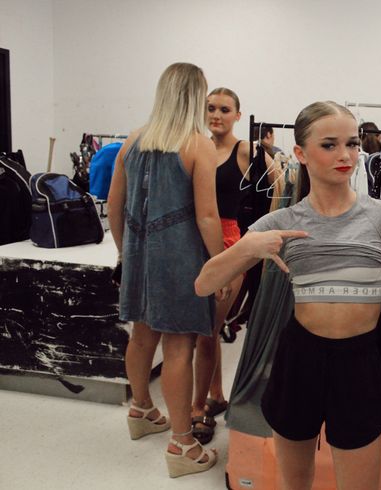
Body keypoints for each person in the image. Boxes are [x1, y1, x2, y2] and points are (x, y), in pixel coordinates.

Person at [195, 101, 381, 490]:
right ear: (299, 153)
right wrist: (248, 249)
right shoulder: (281, 221)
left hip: (361, 360)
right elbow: (204, 284)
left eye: (351, 144)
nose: (345, 155)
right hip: (300, 358)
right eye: (329, 145)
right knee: (295, 482)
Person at [108, 62, 224, 478]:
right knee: (179, 349)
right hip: (180, 257)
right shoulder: (198, 145)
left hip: (139, 252)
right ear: (195, 97)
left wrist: (127, 253)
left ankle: (141, 409)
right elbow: (207, 218)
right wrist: (220, 266)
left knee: (142, 335)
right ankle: (182, 443)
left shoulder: (134, 140)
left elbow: (113, 206)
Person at [189, 87, 251, 444]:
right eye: (211, 108)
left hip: (228, 242)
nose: (217, 115)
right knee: (203, 329)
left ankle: (198, 408)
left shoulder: (245, 150)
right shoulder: (197, 146)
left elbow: (280, 184)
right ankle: (216, 395)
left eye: (225, 109)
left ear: (237, 115)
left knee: (207, 329)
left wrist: (260, 232)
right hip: (195, 239)